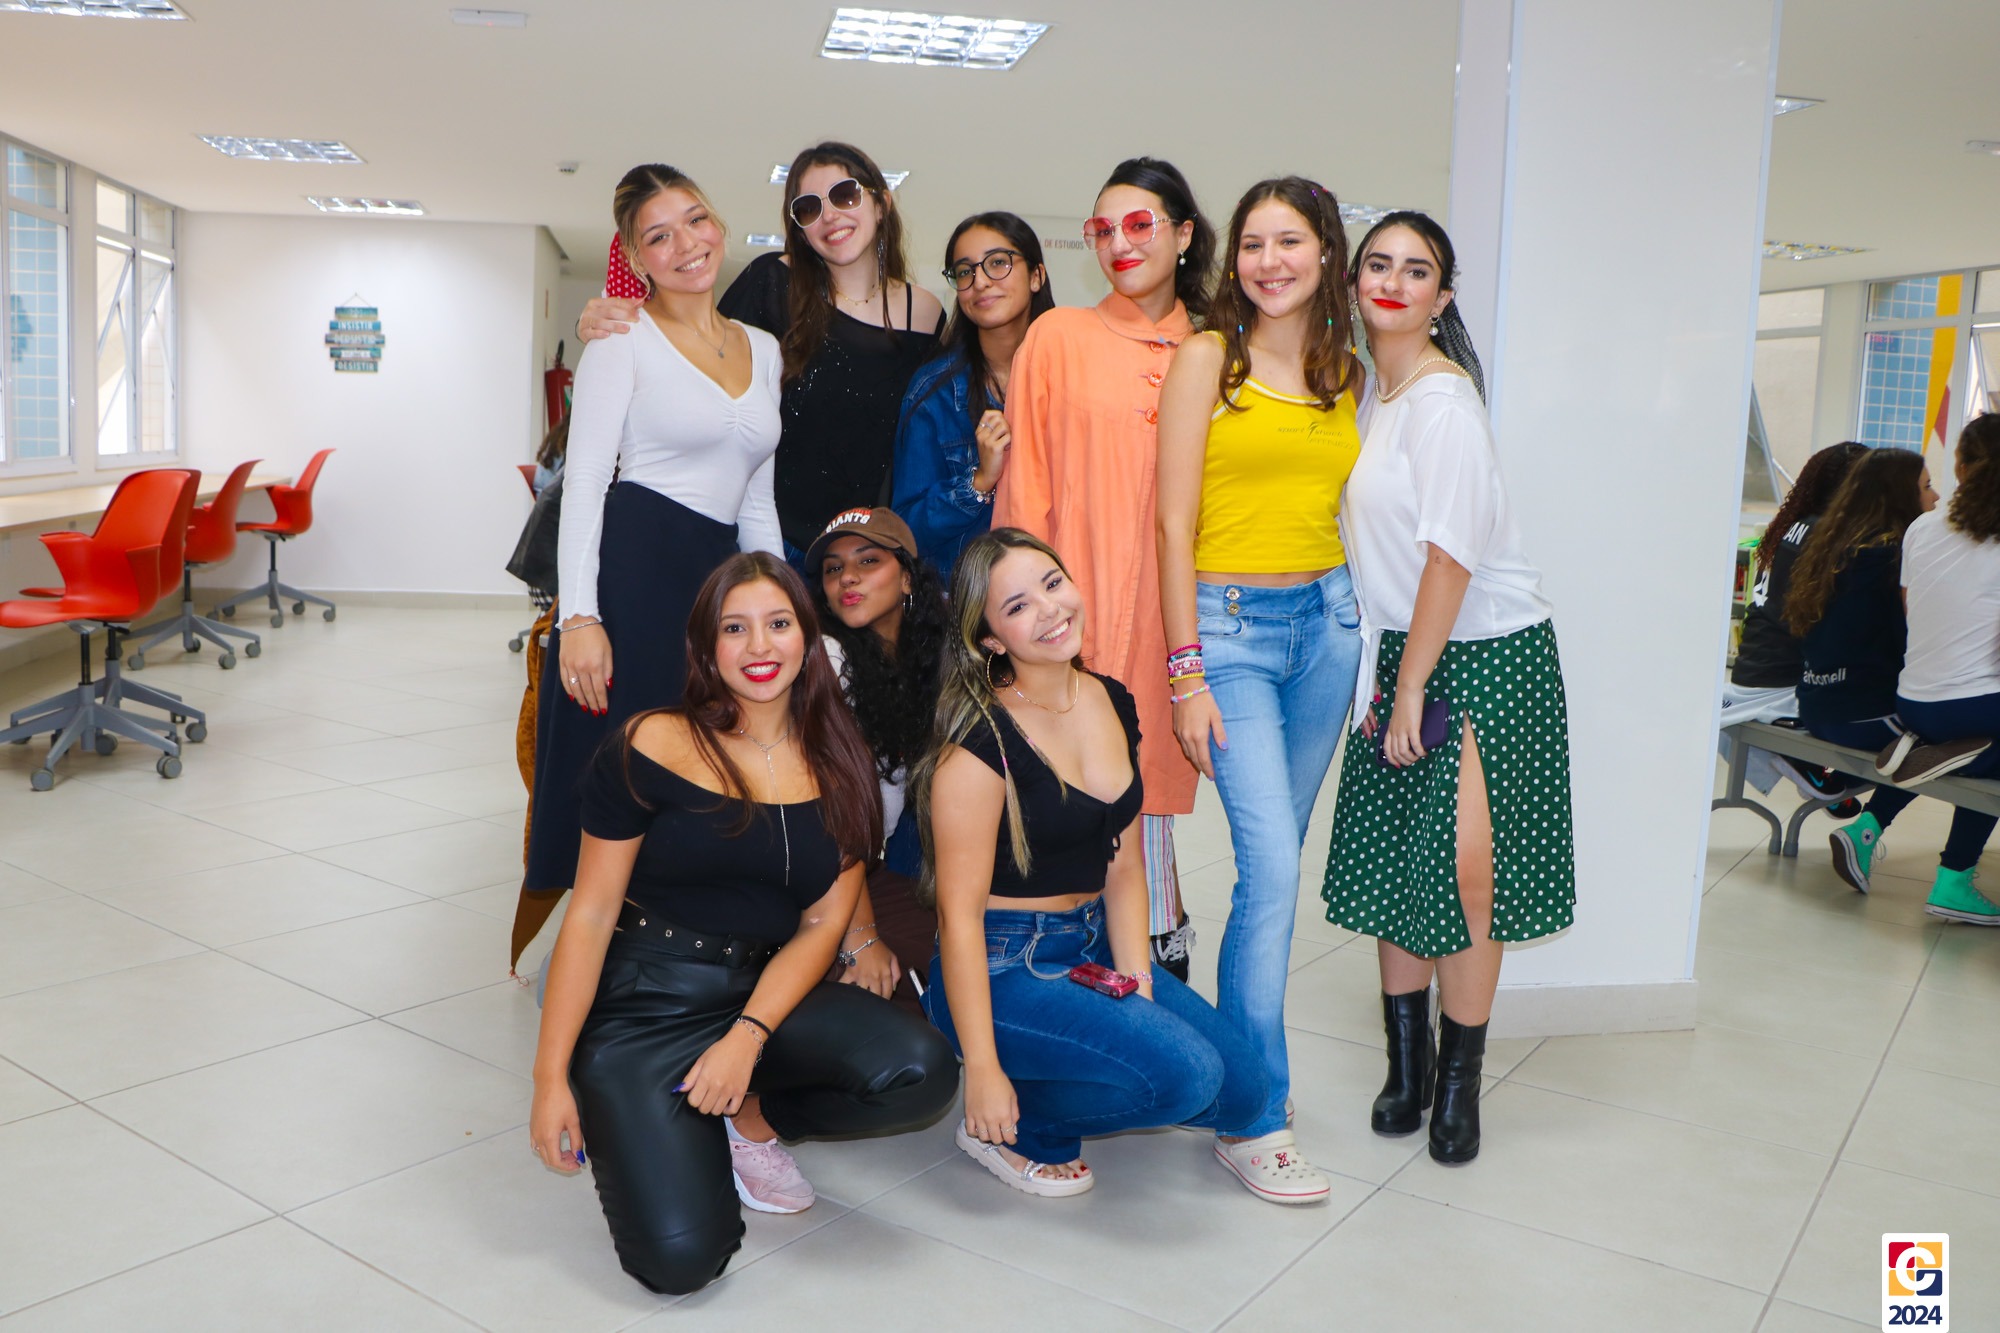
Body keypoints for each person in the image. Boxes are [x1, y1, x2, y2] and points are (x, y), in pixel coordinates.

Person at [529, 554, 956, 1296]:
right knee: (681, 1262)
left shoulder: (842, 761)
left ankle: (747, 1118)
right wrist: (548, 1078)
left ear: (808, 637)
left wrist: (746, 1038)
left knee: (922, 1070)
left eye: (778, 623)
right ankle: (658, 1115)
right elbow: (591, 914)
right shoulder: (651, 743)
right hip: (644, 1000)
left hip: (763, 990)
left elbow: (822, 924)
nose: (760, 647)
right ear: (706, 645)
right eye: (735, 628)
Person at [913, 529, 1276, 1200]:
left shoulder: (1110, 698)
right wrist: (983, 1068)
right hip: (1003, 965)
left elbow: (1126, 866)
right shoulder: (977, 743)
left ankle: (1052, 1076)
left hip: (1091, 943)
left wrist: (1137, 981)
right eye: (1017, 606)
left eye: (1053, 584)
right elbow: (957, 919)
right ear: (990, 638)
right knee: (1189, 1076)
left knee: (1245, 1091)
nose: (1049, 609)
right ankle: (1020, 1122)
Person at [1321, 212, 1575, 1166]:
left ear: (1443, 294)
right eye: (1378, 265)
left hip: (1486, 657)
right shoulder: (1369, 396)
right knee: (1397, 862)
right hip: (1402, 650)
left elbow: (1450, 558)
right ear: (1354, 283)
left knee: (1470, 874)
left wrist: (1410, 683)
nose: (1393, 281)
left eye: (1416, 269)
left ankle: (1461, 1082)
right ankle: (1408, 1066)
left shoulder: (1443, 404)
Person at [1154, 176, 1364, 1193]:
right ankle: (1253, 1115)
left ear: (1325, 254)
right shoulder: (1208, 358)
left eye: (1288, 242)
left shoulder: (1345, 374)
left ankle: (1238, 1088)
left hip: (1329, 627)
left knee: (1272, 871)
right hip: (1228, 631)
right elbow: (1169, 521)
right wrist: (1184, 669)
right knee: (1273, 869)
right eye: (1251, 243)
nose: (1267, 262)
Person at [524, 164, 783, 914]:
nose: (686, 244)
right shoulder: (621, 338)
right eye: (659, 237)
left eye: (695, 220)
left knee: (703, 772)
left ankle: (678, 941)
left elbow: (757, 496)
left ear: (719, 224)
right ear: (637, 258)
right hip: (635, 576)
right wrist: (580, 617)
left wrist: (780, 610)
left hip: (719, 579)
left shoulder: (763, 348)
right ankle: (603, 953)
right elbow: (584, 482)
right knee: (626, 773)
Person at [995, 157, 1216, 978]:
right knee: (1067, 798)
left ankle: (1157, 973)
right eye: (1103, 229)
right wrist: (1024, 622)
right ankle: (1074, 976)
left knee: (1146, 804)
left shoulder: (1213, 350)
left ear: (1184, 234)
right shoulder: (1058, 338)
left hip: (1176, 622)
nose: (1119, 242)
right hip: (1067, 622)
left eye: (1140, 224)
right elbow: (1024, 498)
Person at [579, 141, 945, 559]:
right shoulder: (772, 283)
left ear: (882, 204)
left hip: (862, 554)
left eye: (845, 195)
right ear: (799, 228)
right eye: (809, 208)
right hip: (765, 540)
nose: (829, 216)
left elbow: (923, 444)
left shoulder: (925, 314)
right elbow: (691, 357)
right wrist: (599, 324)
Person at [804, 506, 950, 1011]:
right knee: (912, 985)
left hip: (864, 870)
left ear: (907, 578)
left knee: (966, 953)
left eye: (868, 561)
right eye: (833, 568)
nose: (847, 577)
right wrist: (861, 935)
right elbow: (824, 820)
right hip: (811, 874)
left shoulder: (922, 658)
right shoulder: (827, 660)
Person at [1783, 447, 1938, 893]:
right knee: (1958, 739)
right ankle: (1866, 831)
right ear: (1899, 496)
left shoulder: (1836, 547)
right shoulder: (1892, 558)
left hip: (1816, 704)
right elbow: (1913, 643)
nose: (1937, 497)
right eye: (1927, 487)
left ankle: (1839, 783)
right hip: (1863, 716)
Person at [891, 211, 1055, 579]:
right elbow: (905, 533)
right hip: (968, 601)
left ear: (1036, 276)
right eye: (965, 271)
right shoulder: (934, 392)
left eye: (997, 263)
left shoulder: (1074, 377)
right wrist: (977, 482)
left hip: (1064, 591)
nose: (979, 281)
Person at [1720, 442, 1870, 801]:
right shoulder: (1830, 536)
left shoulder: (1793, 526)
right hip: (1783, 682)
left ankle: (1811, 770)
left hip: (1752, 671)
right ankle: (1818, 769)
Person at [1895, 413, 2000, 921]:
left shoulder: (1921, 527)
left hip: (1912, 700)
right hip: (1972, 708)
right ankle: (1954, 879)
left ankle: (1943, 753)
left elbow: (1911, 612)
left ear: (1959, 465)